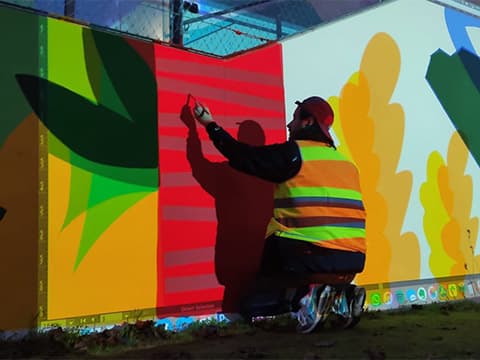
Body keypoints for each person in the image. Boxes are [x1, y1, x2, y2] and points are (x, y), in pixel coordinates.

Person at [188, 96, 367, 333]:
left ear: (307, 122)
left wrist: (208, 124)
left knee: (251, 304)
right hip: (352, 261)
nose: (289, 126)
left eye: (294, 120)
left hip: (310, 254)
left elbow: (242, 156)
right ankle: (344, 297)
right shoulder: (346, 164)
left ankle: (304, 297)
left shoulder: (294, 154)